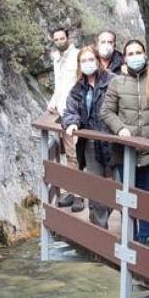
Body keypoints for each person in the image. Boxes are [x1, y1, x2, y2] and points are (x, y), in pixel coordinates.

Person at [100, 39, 149, 245]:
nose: (135, 57)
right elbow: (106, 112)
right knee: (129, 197)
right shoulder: (117, 82)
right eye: (130, 54)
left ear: (145, 54)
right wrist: (120, 128)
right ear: (125, 58)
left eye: (138, 52)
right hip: (126, 152)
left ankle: (144, 238)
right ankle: (130, 237)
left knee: (148, 198)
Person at [62, 45, 115, 224]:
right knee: (95, 186)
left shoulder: (113, 81)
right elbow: (70, 109)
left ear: (98, 60)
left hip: (113, 141)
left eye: (91, 59)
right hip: (91, 143)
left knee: (118, 187)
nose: (88, 63)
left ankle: (104, 215)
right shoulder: (78, 88)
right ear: (79, 64)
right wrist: (72, 122)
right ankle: (100, 228)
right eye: (83, 61)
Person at [46, 26, 80, 207]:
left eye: (62, 38)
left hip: (76, 111)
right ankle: (73, 192)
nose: (59, 41)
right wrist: (52, 101)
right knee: (70, 154)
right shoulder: (56, 59)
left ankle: (80, 195)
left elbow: (78, 83)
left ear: (68, 38)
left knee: (77, 153)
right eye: (56, 39)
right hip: (62, 112)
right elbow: (59, 86)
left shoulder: (78, 56)